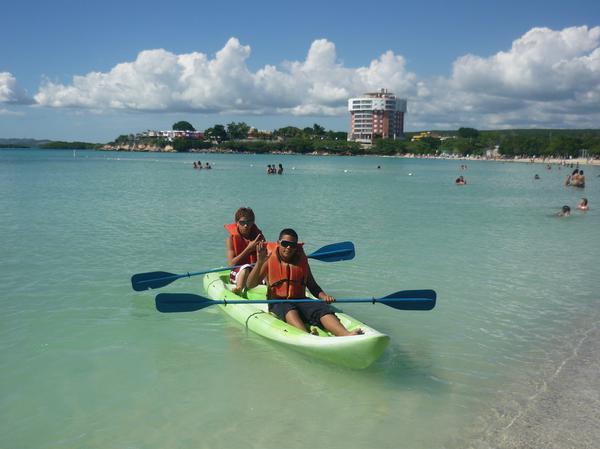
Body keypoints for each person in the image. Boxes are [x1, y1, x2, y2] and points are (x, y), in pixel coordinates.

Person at [247, 229, 363, 336]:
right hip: (278, 302)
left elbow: (312, 286)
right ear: (278, 243)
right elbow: (250, 284)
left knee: (322, 308)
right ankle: (306, 336)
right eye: (285, 243)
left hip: (301, 300)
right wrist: (259, 262)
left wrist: (324, 296)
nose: (288, 247)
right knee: (288, 309)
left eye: (292, 245)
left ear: (296, 247)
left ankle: (346, 334)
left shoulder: (302, 262)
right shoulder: (268, 260)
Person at [224, 207, 264, 294]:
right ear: (237, 223)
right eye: (242, 222)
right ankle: (239, 289)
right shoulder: (230, 240)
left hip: (254, 271)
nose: (246, 225)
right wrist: (248, 249)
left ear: (253, 222)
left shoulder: (259, 237)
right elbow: (231, 264)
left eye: (249, 222)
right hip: (239, 271)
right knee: (245, 268)